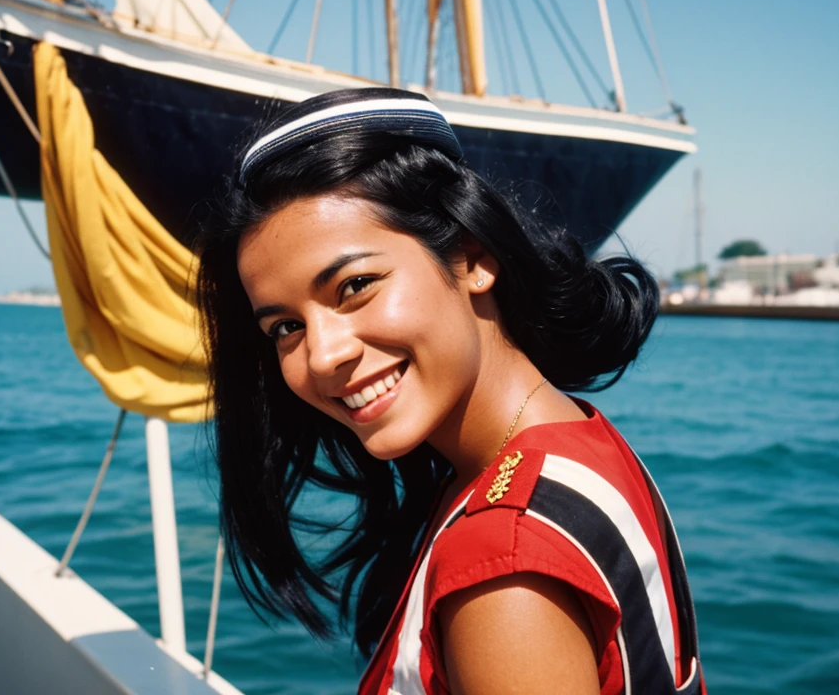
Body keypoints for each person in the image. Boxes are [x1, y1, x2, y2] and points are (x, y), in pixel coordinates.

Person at [197, 88, 705, 695]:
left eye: (355, 285)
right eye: (285, 327)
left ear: (472, 259)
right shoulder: (573, 446)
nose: (323, 354)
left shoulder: (505, 562)